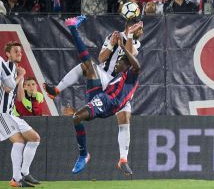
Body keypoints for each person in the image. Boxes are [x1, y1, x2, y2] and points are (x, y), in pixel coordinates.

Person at [44, 17, 143, 175]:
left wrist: (128, 37)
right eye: (139, 28)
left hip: (117, 90)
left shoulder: (135, 44)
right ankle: (57, 90)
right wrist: (112, 44)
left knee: (124, 119)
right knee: (86, 65)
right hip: (105, 80)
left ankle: (123, 159)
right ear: (130, 26)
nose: (141, 32)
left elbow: (132, 60)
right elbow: (102, 58)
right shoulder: (113, 36)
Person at [1, 42, 41, 187]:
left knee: (34, 138)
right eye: (15, 51)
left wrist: (21, 79)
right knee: (18, 141)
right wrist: (21, 75)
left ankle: (24, 172)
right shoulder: (5, 66)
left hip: (10, 114)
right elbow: (6, 88)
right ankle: (16, 178)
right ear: (7, 54)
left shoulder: (16, 70)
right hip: (1, 113)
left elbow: (19, 98)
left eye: (20, 51)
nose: (19, 53)